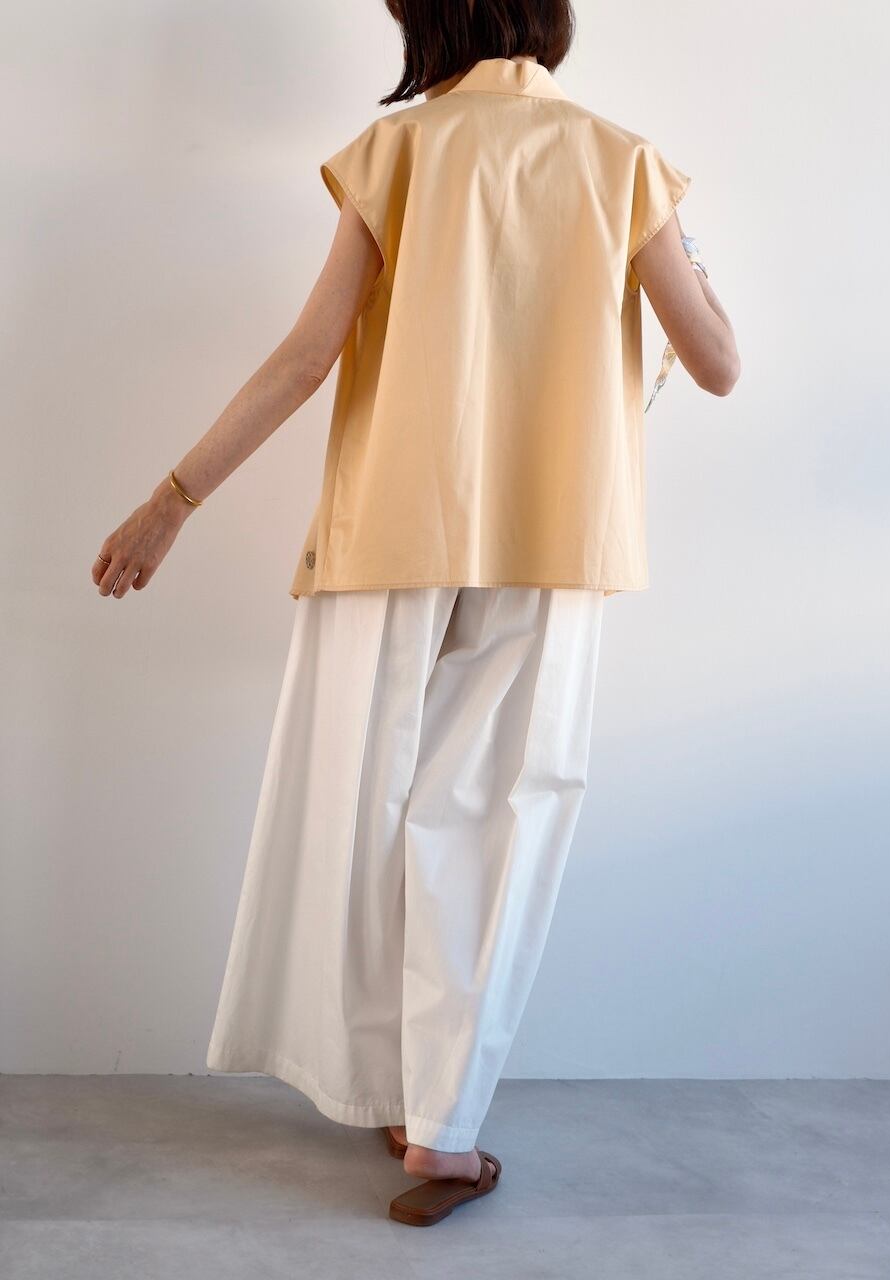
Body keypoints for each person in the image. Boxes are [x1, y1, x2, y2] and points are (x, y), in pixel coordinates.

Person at [90, 0, 739, 1228]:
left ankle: (380, 1083)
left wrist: (171, 502)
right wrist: (678, 256)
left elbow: (306, 355)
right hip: (553, 535)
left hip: (392, 529)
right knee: (497, 819)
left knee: (359, 814)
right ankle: (441, 1124)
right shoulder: (622, 159)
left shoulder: (397, 151)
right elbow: (717, 363)